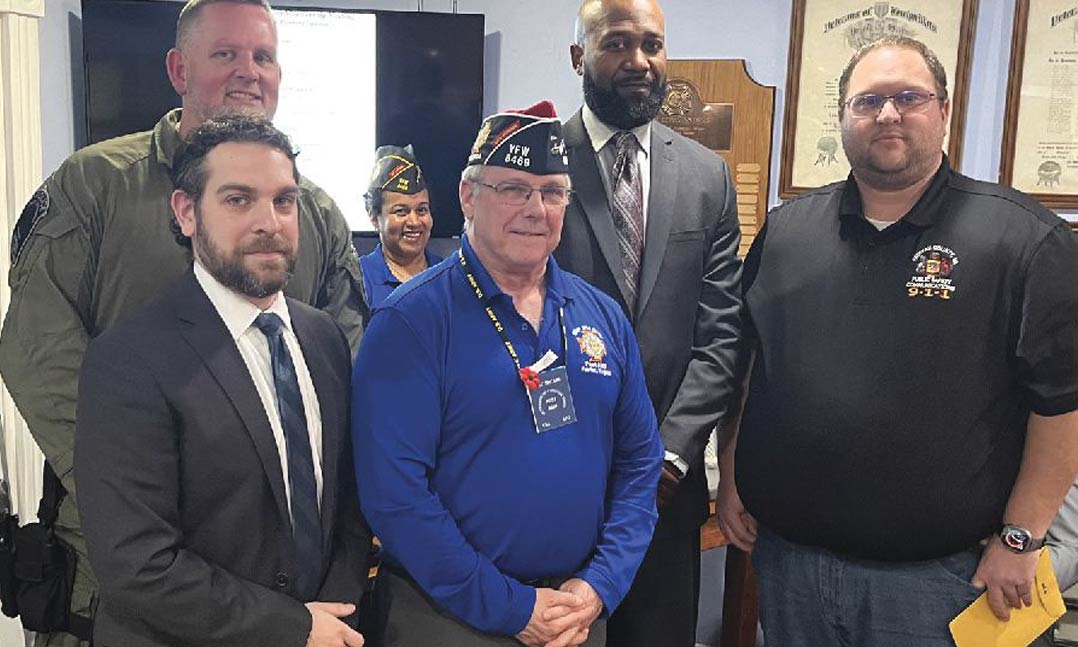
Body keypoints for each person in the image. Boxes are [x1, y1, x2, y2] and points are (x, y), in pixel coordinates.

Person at [0, 1, 364, 644]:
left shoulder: (316, 213)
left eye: (264, 56)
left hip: (291, 584)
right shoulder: (95, 187)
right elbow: (37, 351)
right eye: (225, 54)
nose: (248, 72)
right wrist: (131, 498)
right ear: (178, 69)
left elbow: (344, 378)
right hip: (129, 569)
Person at [717, 35, 1078, 647]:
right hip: (791, 567)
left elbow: (1061, 405)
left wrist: (1021, 538)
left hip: (944, 579)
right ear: (842, 118)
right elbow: (750, 369)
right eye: (868, 101)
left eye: (910, 97)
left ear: (942, 110)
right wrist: (730, 477)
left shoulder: (1023, 240)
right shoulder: (786, 233)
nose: (888, 114)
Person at [352, 101, 663, 647]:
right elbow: (395, 496)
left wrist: (599, 585)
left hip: (574, 615)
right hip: (447, 617)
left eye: (551, 191)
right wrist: (511, 607)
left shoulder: (601, 316)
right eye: (514, 189)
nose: (536, 209)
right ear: (469, 197)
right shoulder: (410, 322)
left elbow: (641, 462)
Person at [74, 115, 370, 647]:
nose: (270, 222)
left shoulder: (323, 337)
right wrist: (293, 627)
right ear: (186, 213)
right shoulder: (128, 359)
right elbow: (137, 563)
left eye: (284, 200)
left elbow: (346, 507)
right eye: (238, 200)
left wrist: (335, 614)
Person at [553, 1, 744, 645]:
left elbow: (721, 335)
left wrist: (668, 452)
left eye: (653, 45)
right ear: (580, 56)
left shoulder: (706, 176)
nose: (639, 61)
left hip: (667, 486)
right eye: (616, 44)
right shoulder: (538, 167)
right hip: (552, 476)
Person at [360, 145, 442, 310]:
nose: (414, 222)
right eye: (401, 211)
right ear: (374, 218)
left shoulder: (449, 276)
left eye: (421, 210)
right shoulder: (358, 278)